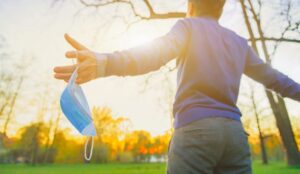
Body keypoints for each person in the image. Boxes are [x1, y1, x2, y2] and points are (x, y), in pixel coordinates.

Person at [54, 0, 300, 173]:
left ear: (190, 6)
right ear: (220, 9)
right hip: (235, 136)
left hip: (196, 133)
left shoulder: (188, 26)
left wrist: (105, 63)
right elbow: (276, 79)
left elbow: (154, 54)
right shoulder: (238, 43)